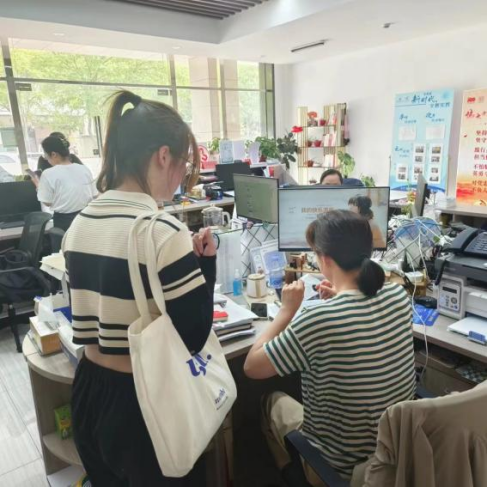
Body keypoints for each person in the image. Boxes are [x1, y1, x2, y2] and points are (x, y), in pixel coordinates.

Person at [62, 90, 215, 486]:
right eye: (185, 163)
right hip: (143, 404)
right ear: (164, 156)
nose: (183, 175)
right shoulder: (161, 230)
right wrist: (206, 266)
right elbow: (194, 336)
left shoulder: (79, 223)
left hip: (89, 393)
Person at [244, 210, 415, 485]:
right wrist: (341, 297)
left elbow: (252, 367)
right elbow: (362, 312)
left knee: (270, 400)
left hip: (339, 471)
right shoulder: (398, 295)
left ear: (324, 260)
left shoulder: (318, 318)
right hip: (395, 460)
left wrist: (287, 311)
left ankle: (298, 474)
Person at [36, 136, 96, 231]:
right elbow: (93, 194)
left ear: (53, 154)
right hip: (86, 218)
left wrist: (39, 188)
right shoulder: (84, 169)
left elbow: (47, 202)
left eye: (46, 156)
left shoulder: (48, 174)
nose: (46, 159)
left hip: (64, 222)